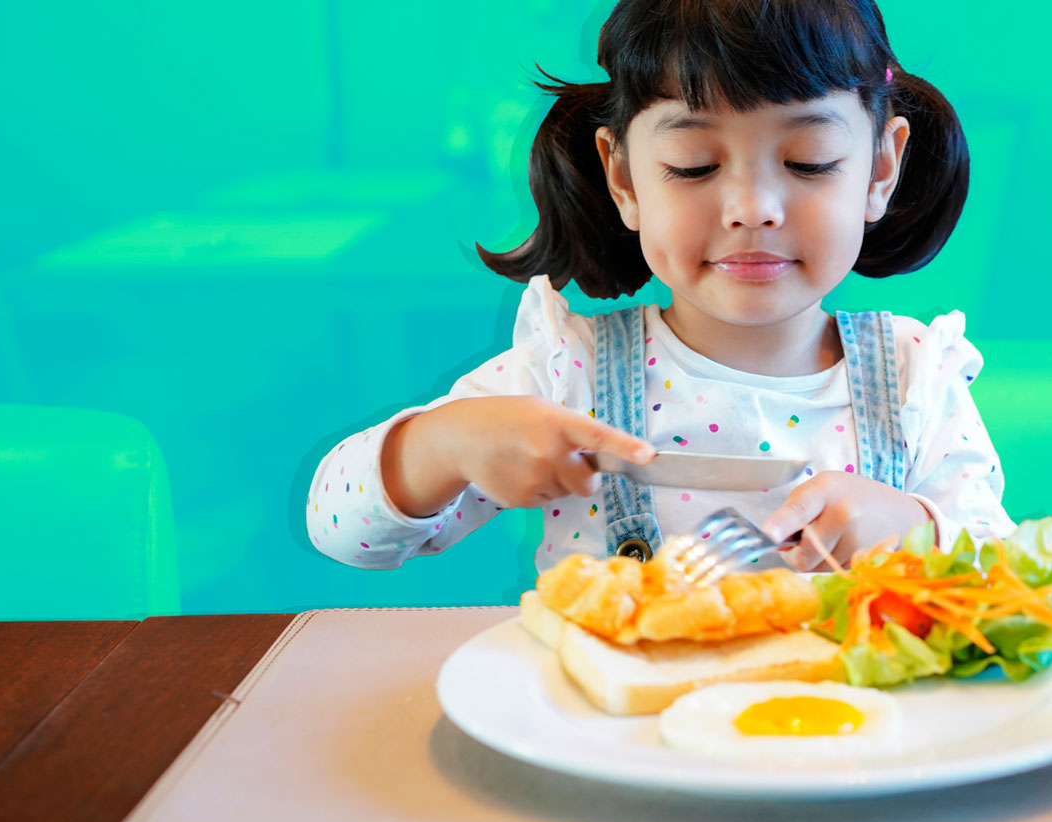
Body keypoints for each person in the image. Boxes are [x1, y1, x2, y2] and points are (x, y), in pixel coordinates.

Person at [306, 0, 1016, 576]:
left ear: (880, 170)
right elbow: (343, 534)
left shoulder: (914, 376)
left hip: (850, 745)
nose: (752, 207)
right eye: (694, 165)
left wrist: (915, 530)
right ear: (624, 180)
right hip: (616, 742)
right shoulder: (566, 374)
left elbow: (1012, 576)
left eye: (808, 160)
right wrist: (444, 445)